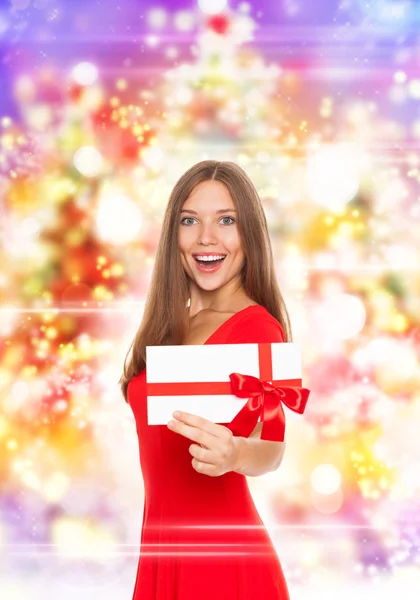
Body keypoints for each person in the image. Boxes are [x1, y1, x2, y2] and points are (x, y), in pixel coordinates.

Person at [120, 160, 294, 599]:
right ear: (173, 234)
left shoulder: (258, 329)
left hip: (222, 565)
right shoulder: (168, 325)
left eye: (227, 220)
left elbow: (272, 447)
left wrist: (235, 451)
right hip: (161, 553)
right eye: (190, 220)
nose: (206, 238)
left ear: (249, 235)